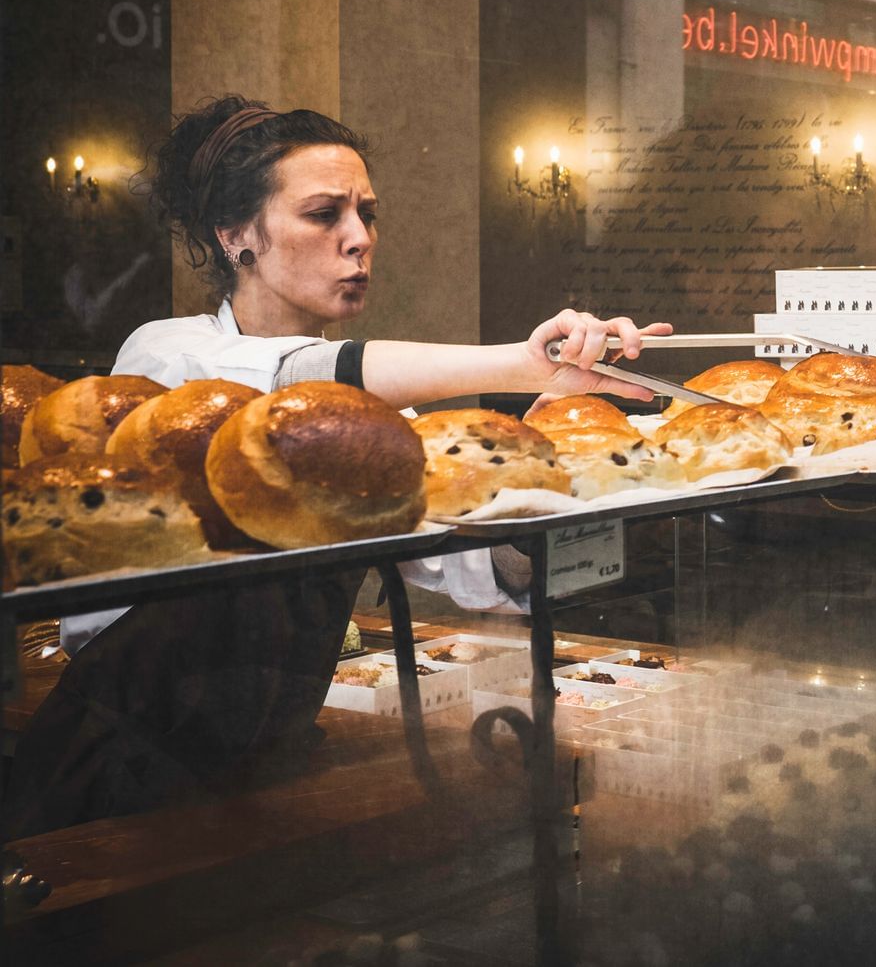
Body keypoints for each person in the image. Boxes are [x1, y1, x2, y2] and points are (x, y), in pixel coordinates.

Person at [3, 97, 670, 839]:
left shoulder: (369, 425)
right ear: (236, 237)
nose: (360, 240)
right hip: (115, 767)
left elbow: (479, 568)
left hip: (265, 766)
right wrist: (523, 363)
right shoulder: (167, 358)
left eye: (368, 214)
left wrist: (559, 477)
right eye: (325, 214)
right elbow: (289, 394)